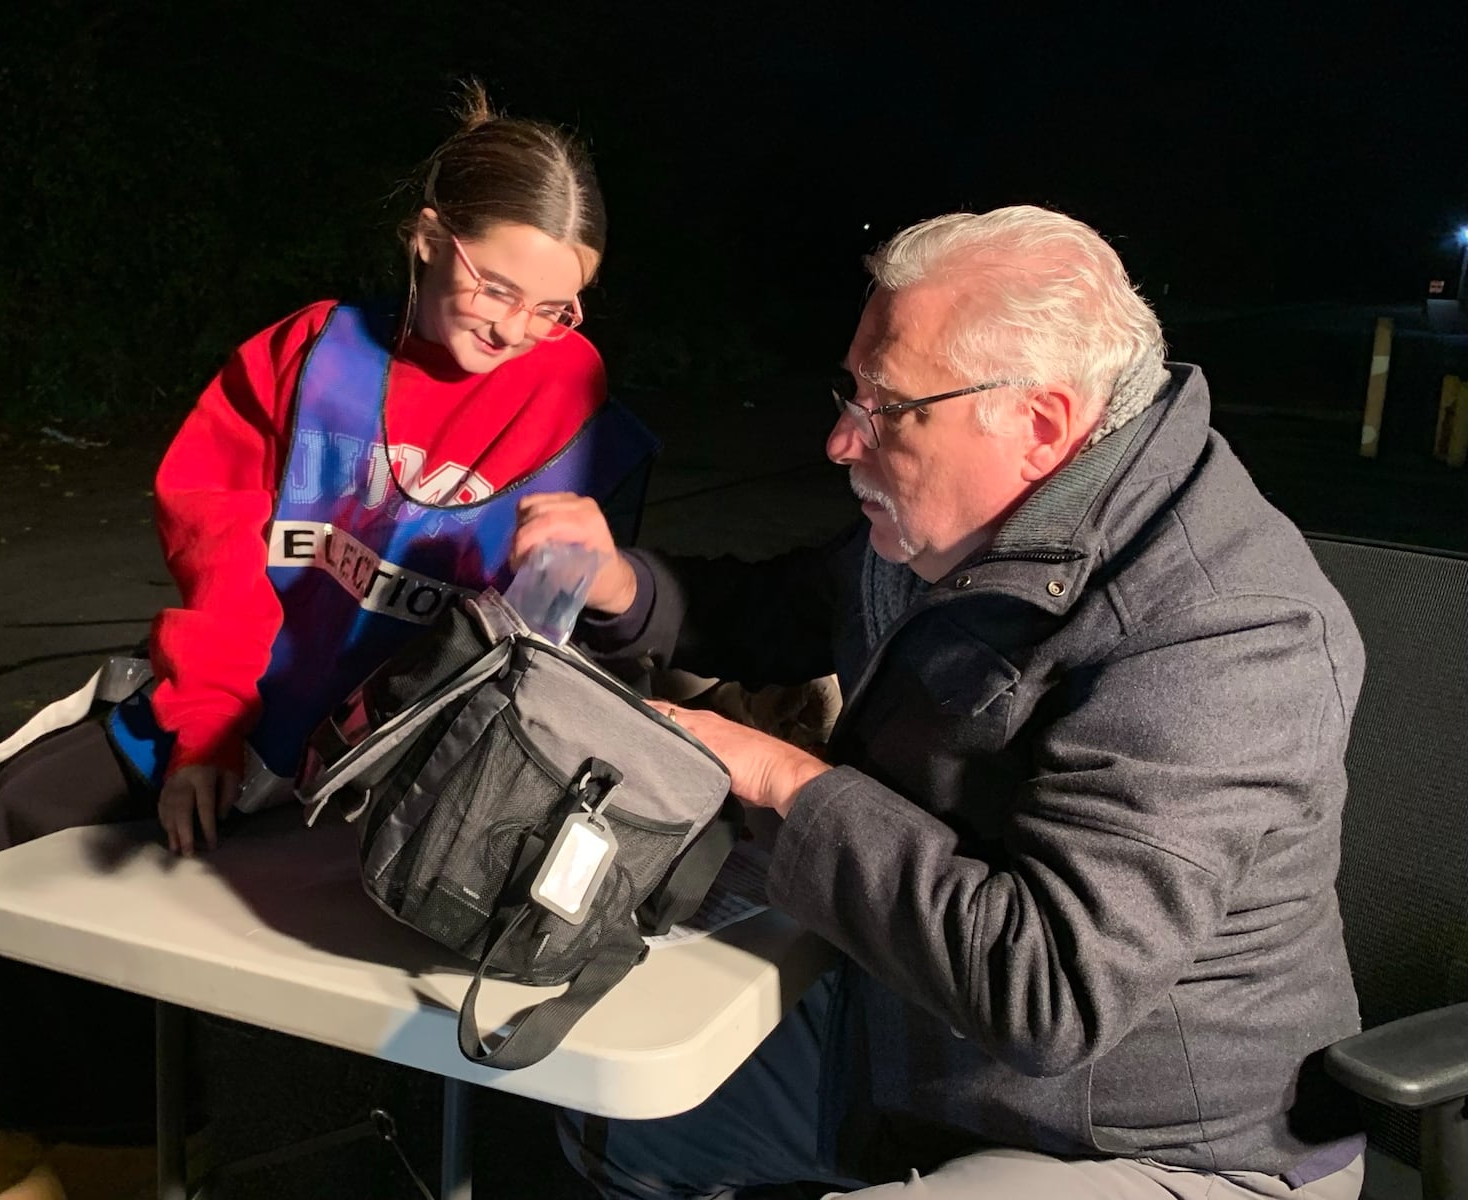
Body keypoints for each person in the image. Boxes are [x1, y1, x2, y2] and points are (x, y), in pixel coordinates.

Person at [513, 206, 1367, 1199]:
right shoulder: (972, 521)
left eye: (883, 409)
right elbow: (791, 607)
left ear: (1039, 425)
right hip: (924, 1060)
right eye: (848, 391)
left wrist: (787, 780)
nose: (840, 440)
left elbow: (1048, 990)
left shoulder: (1220, 631)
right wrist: (622, 584)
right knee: (617, 1121)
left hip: (1162, 1143)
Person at [0, 84, 655, 857]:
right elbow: (218, 555)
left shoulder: (574, 398)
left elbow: (554, 643)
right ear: (430, 239)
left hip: (412, 758)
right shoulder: (309, 356)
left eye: (554, 308)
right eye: (496, 288)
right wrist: (205, 731)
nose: (516, 329)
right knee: (19, 813)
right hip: (250, 703)